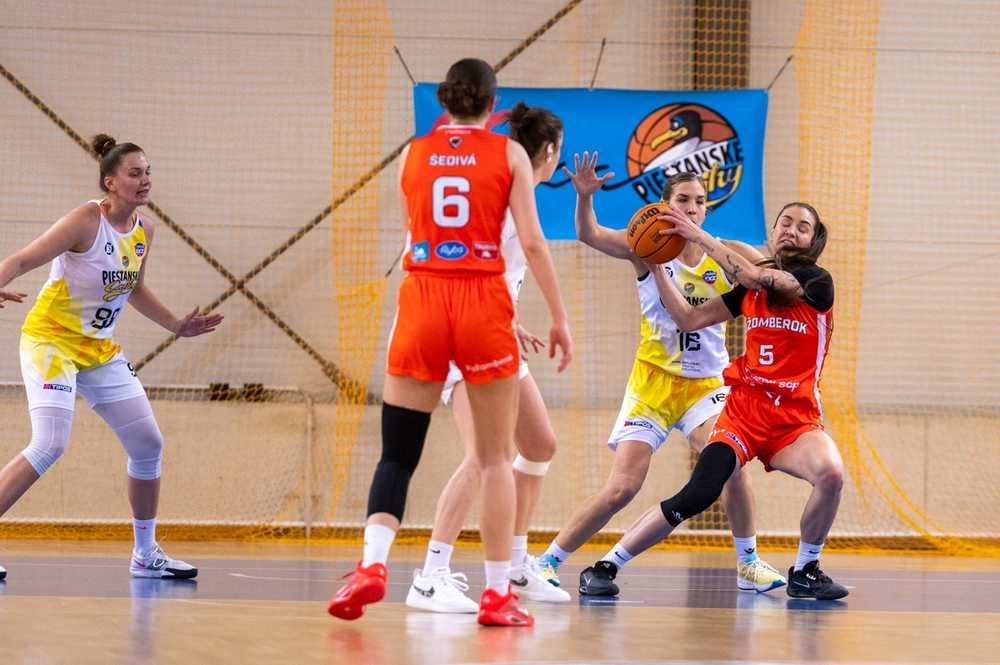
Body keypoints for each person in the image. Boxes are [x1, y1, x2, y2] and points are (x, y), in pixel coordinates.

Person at [327, 59, 573, 627]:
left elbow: (415, 235)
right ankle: (492, 591)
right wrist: (560, 318)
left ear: (445, 100)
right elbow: (534, 244)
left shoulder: (413, 154)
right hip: (481, 304)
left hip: (423, 297)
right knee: (492, 459)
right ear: (492, 103)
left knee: (398, 454)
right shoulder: (508, 156)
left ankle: (372, 564)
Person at [536, 157, 786, 596]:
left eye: (699, 202)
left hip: (706, 385)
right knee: (623, 488)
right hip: (652, 383)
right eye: (683, 200)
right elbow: (590, 234)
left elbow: (775, 275)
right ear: (665, 206)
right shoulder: (644, 246)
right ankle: (546, 562)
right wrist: (584, 197)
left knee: (731, 467)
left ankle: (748, 563)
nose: (692, 209)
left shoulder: (727, 252)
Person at [581, 201, 848, 600]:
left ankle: (806, 569)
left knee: (831, 474)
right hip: (743, 415)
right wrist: (657, 269)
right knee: (698, 494)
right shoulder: (749, 292)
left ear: (813, 241)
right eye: (785, 222)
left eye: (803, 227)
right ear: (773, 232)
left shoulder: (816, 283)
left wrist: (697, 236)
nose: (791, 230)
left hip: (795, 420)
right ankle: (606, 565)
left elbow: (755, 275)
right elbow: (689, 319)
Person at [0, 134, 223, 580]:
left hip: (98, 350)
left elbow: (134, 288)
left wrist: (175, 325)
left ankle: (145, 553)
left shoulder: (144, 230)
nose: (145, 180)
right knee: (50, 443)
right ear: (110, 182)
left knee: (148, 445)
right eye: (135, 173)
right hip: (52, 342)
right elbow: (23, 259)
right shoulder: (86, 220)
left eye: (148, 172)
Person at [405, 103, 571, 614]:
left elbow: (491, 268)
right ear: (550, 151)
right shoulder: (504, 192)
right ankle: (430, 575)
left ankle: (515, 565)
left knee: (539, 443)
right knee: (482, 457)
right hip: (466, 336)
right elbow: (493, 259)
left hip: (495, 330)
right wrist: (556, 318)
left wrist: (511, 320)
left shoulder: (511, 188)